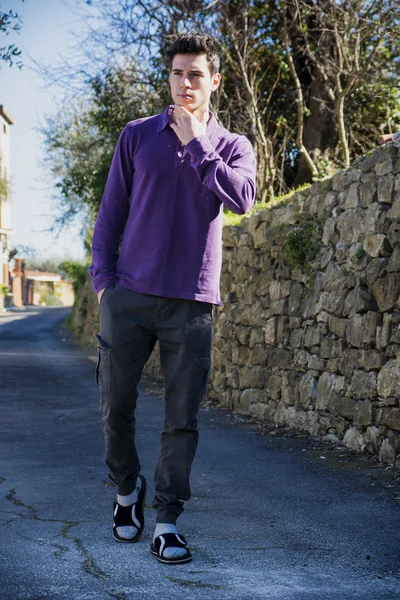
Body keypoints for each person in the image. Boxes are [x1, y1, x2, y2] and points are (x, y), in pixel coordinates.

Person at [89, 31, 256, 565]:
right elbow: (111, 211)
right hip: (129, 295)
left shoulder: (232, 145)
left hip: (192, 301)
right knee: (115, 404)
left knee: (181, 417)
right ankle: (125, 492)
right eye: (178, 73)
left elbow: (243, 199)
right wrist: (102, 282)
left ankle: (166, 521)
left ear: (215, 82)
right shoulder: (137, 136)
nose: (186, 83)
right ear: (170, 77)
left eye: (197, 74)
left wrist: (197, 142)